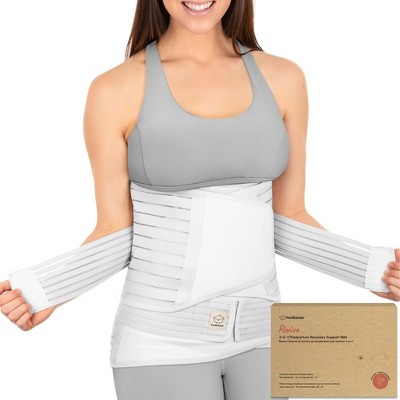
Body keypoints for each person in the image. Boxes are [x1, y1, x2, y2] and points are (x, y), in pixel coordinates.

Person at [1, 1, 399, 399]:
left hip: (263, 335)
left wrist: (375, 272)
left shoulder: (283, 78)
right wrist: (48, 292)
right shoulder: (115, 89)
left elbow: (286, 217)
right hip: (160, 343)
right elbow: (116, 229)